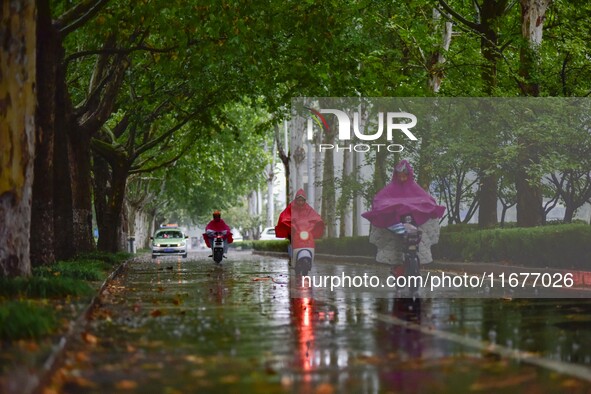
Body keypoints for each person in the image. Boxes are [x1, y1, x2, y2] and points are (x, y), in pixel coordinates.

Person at [362, 160, 445, 269]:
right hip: (395, 221)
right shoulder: (390, 188)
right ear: (396, 176)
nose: (402, 179)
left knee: (425, 225)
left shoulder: (414, 187)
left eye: (404, 176)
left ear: (408, 175)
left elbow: (426, 199)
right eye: (400, 176)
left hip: (413, 222)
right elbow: (379, 199)